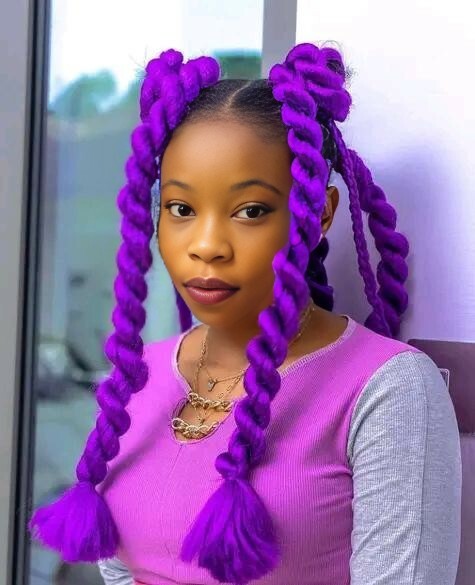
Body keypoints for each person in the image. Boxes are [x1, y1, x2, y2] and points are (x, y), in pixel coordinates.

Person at [28, 42, 462, 585]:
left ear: (319, 214)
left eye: (250, 211)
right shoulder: (140, 377)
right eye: (181, 209)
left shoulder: (389, 388)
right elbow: (120, 572)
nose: (206, 246)